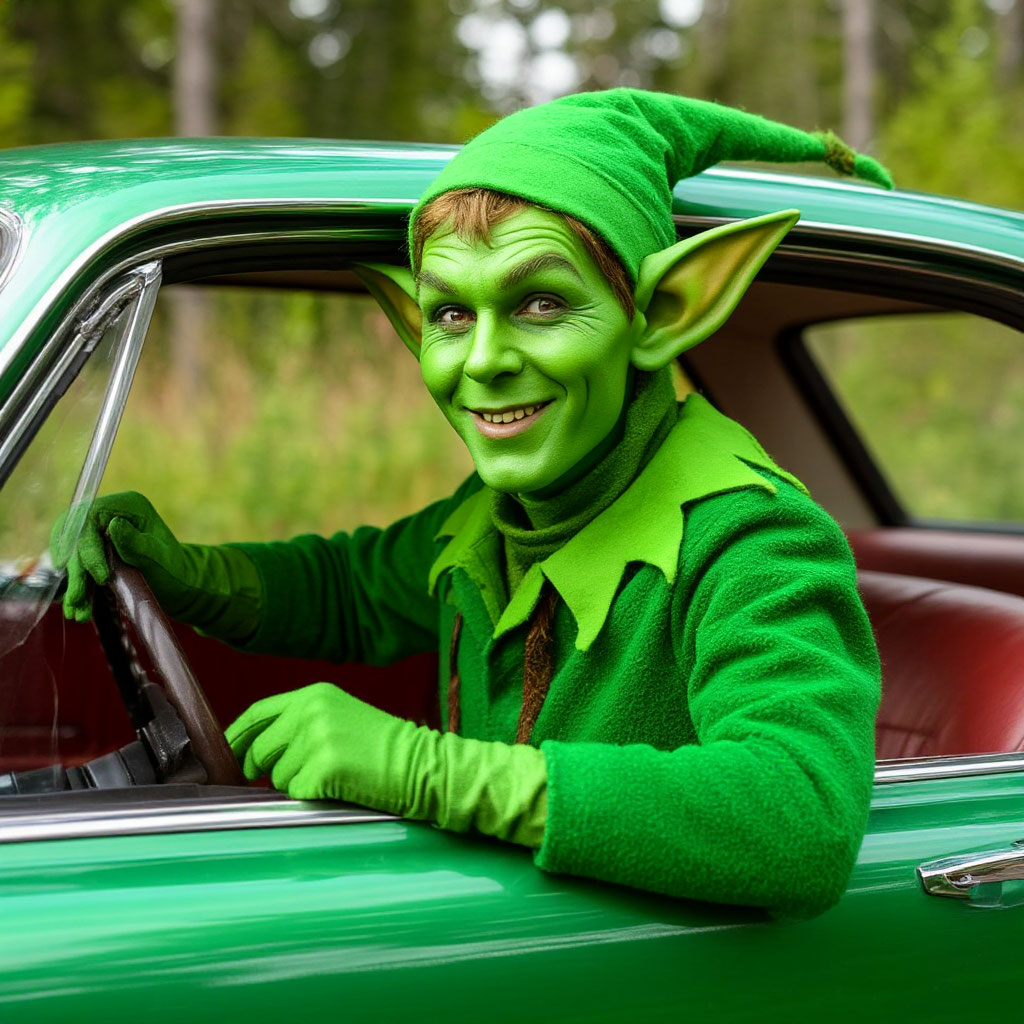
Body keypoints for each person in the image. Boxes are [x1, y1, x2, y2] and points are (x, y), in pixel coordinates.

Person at [60, 90, 884, 916]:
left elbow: (802, 816)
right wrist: (181, 570)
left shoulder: (755, 539)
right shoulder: (495, 514)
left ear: (660, 315)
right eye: (452, 313)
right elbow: (349, 591)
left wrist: (424, 771)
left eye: (542, 304)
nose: (484, 360)